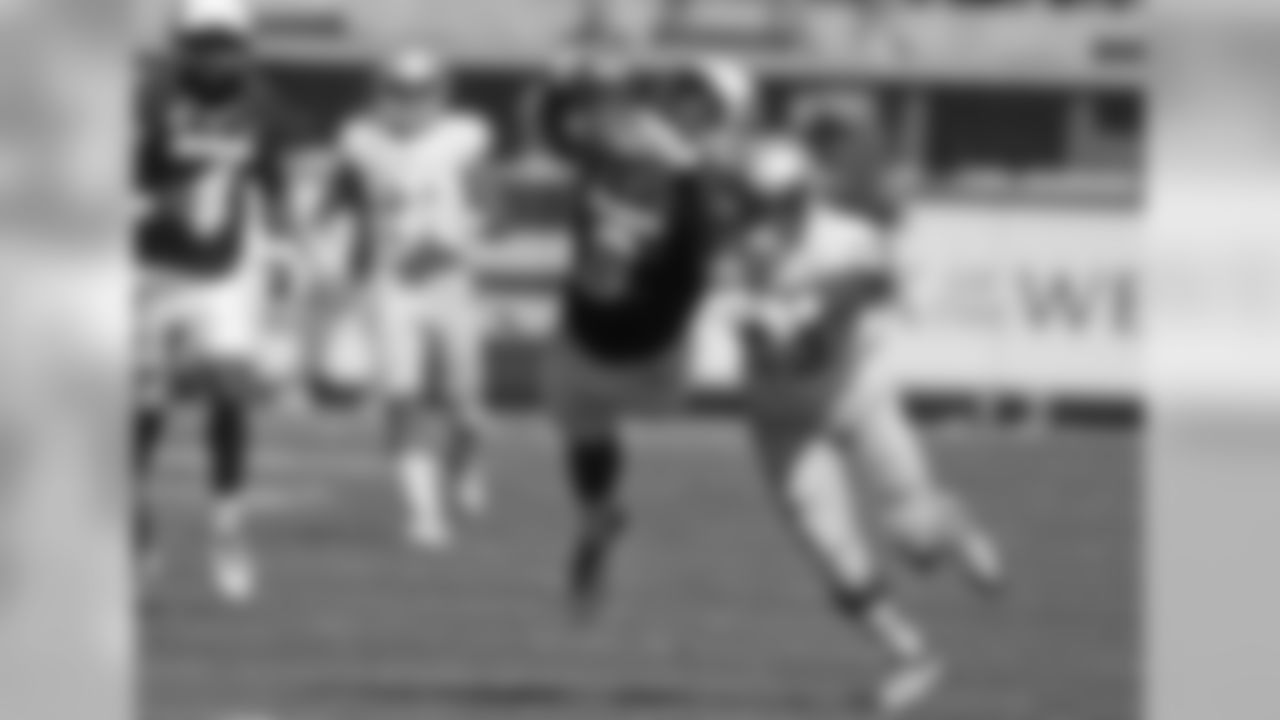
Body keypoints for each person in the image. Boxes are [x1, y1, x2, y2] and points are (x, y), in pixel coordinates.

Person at [528, 56, 756, 619]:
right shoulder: (624, 143)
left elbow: (716, 238)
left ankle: (597, 517)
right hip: (584, 336)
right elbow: (556, 132)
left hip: (654, 349)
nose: (687, 106)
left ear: (725, 117)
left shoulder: (713, 174)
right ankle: (595, 521)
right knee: (584, 433)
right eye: (685, 91)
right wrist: (561, 91)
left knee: (617, 286)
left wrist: (677, 177)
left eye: (705, 102)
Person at [791, 93, 1007, 596]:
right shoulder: (793, 189)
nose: (826, 151)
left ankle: (955, 527)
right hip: (793, 397)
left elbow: (889, 267)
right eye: (823, 139)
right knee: (823, 522)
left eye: (833, 138)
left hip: (854, 381)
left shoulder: (866, 199)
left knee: (917, 542)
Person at [133, 0, 297, 604]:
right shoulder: (147, 97)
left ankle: (228, 525)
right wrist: (152, 199)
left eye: (226, 43)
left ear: (246, 45)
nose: (215, 55)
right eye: (204, 43)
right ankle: (135, 523)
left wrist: (284, 253)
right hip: (146, 269)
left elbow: (274, 185)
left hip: (222, 274)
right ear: (182, 45)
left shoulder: (263, 104)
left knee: (229, 392)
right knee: (141, 409)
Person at [325, 48, 496, 550]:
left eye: (418, 90)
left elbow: (498, 210)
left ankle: (468, 454)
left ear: (439, 93)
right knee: (401, 395)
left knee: (466, 401)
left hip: (451, 281)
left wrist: (452, 241)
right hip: (392, 281)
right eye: (398, 90)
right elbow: (340, 203)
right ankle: (424, 514)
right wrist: (332, 252)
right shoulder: (360, 141)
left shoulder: (465, 139)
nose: (407, 101)